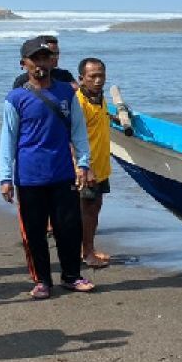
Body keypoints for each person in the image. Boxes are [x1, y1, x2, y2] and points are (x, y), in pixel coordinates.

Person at [0, 37, 96, 299]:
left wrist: (84, 163)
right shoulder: (16, 98)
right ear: (24, 64)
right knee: (34, 232)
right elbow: (7, 139)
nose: (41, 63)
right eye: (35, 59)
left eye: (45, 58)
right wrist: (5, 177)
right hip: (29, 176)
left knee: (69, 228)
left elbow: (78, 131)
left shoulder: (67, 92)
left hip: (63, 172)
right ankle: (42, 280)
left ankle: (71, 276)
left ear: (52, 60)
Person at [75, 57, 111, 268]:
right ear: (82, 79)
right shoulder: (78, 102)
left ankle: (89, 248)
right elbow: (71, 137)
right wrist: (81, 167)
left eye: (101, 76)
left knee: (95, 207)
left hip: (101, 166)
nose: (98, 81)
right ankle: (86, 253)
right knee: (86, 210)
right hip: (86, 168)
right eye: (92, 77)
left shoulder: (99, 98)